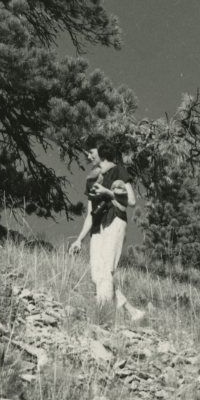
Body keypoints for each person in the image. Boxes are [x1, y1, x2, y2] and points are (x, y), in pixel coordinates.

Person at [69, 138, 147, 324]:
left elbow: (131, 201)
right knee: (97, 274)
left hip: (115, 220)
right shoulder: (90, 180)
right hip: (97, 227)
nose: (88, 156)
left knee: (106, 270)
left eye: (90, 151)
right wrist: (79, 239)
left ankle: (101, 317)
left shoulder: (119, 170)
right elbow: (89, 214)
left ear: (101, 150)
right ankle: (132, 312)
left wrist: (108, 193)